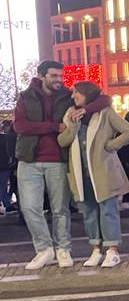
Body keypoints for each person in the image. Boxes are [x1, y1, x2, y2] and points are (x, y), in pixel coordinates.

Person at [57, 81, 129, 268]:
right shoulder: (71, 115)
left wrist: (111, 145)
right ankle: (95, 249)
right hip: (81, 171)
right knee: (89, 211)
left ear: (87, 94)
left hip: (102, 170)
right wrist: (73, 129)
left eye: (76, 93)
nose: (72, 96)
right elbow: (62, 141)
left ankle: (112, 250)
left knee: (107, 210)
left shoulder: (105, 113)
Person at [13, 60, 75, 270]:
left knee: (60, 208)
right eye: (53, 76)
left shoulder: (68, 96)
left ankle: (63, 248)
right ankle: (44, 249)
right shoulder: (26, 96)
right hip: (29, 159)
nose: (59, 80)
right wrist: (53, 127)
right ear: (41, 76)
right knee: (30, 207)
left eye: (60, 76)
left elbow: (97, 99)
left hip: (57, 159)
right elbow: (20, 125)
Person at [0, 119, 14, 215]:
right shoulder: (5, 138)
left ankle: (7, 204)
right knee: (3, 186)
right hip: (5, 165)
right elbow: (8, 151)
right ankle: (7, 205)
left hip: (4, 165)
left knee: (2, 187)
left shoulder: (4, 138)